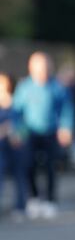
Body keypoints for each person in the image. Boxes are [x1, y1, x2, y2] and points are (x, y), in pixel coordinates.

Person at [12, 51, 74, 220]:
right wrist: (17, 131)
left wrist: (65, 128)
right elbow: (17, 112)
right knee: (28, 165)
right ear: (31, 68)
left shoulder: (57, 87)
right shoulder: (25, 87)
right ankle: (33, 198)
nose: (42, 71)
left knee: (50, 166)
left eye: (45, 67)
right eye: (38, 67)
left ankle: (50, 200)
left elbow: (66, 109)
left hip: (51, 131)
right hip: (30, 132)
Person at [0, 72, 26, 221]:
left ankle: (20, 207)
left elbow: (22, 124)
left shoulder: (17, 102)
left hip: (15, 144)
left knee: (19, 175)